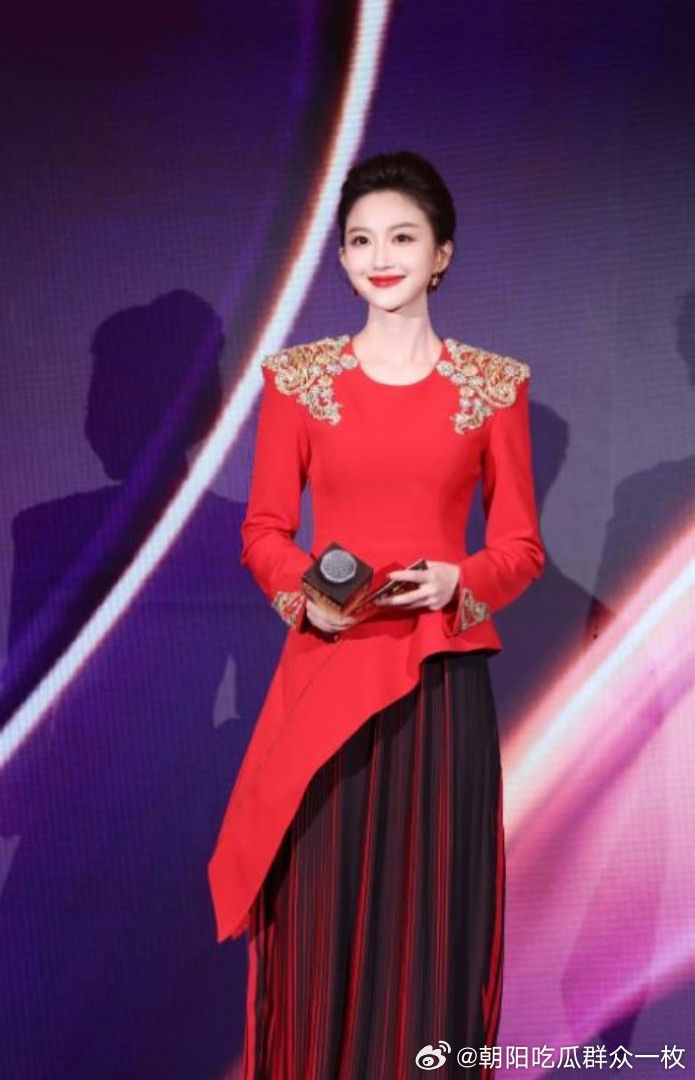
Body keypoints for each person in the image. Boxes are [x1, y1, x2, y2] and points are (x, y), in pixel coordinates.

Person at [207, 150, 546, 1079]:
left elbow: (519, 546)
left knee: (432, 924)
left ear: (441, 254)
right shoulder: (298, 379)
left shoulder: (493, 385)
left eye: (402, 237)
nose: (380, 256)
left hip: (440, 687)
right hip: (328, 672)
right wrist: (306, 597)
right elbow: (266, 530)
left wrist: (456, 581)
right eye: (361, 239)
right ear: (344, 259)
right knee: (318, 923)